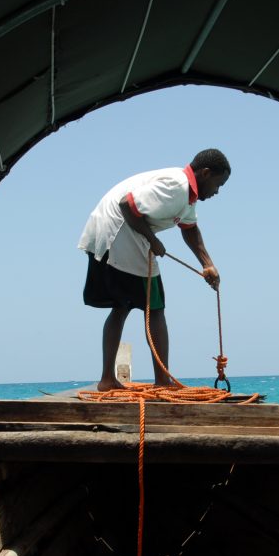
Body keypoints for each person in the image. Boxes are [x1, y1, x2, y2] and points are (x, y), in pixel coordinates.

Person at [79, 148, 231, 391]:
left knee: (123, 305)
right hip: (119, 232)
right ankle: (161, 381)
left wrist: (207, 264)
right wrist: (153, 239)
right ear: (205, 173)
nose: (217, 191)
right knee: (155, 307)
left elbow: (190, 229)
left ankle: (109, 379)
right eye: (218, 184)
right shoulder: (177, 186)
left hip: (116, 232)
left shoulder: (187, 196)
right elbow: (127, 205)